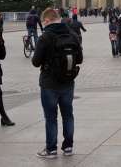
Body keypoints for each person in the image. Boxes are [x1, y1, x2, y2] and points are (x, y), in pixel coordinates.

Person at [32, 8, 83, 159]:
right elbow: (79, 59)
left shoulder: (45, 37)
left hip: (49, 83)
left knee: (51, 117)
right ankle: (68, 147)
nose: (43, 24)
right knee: (68, 115)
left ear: (47, 20)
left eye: (43, 22)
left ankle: (51, 149)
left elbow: (36, 62)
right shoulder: (72, 35)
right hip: (68, 81)